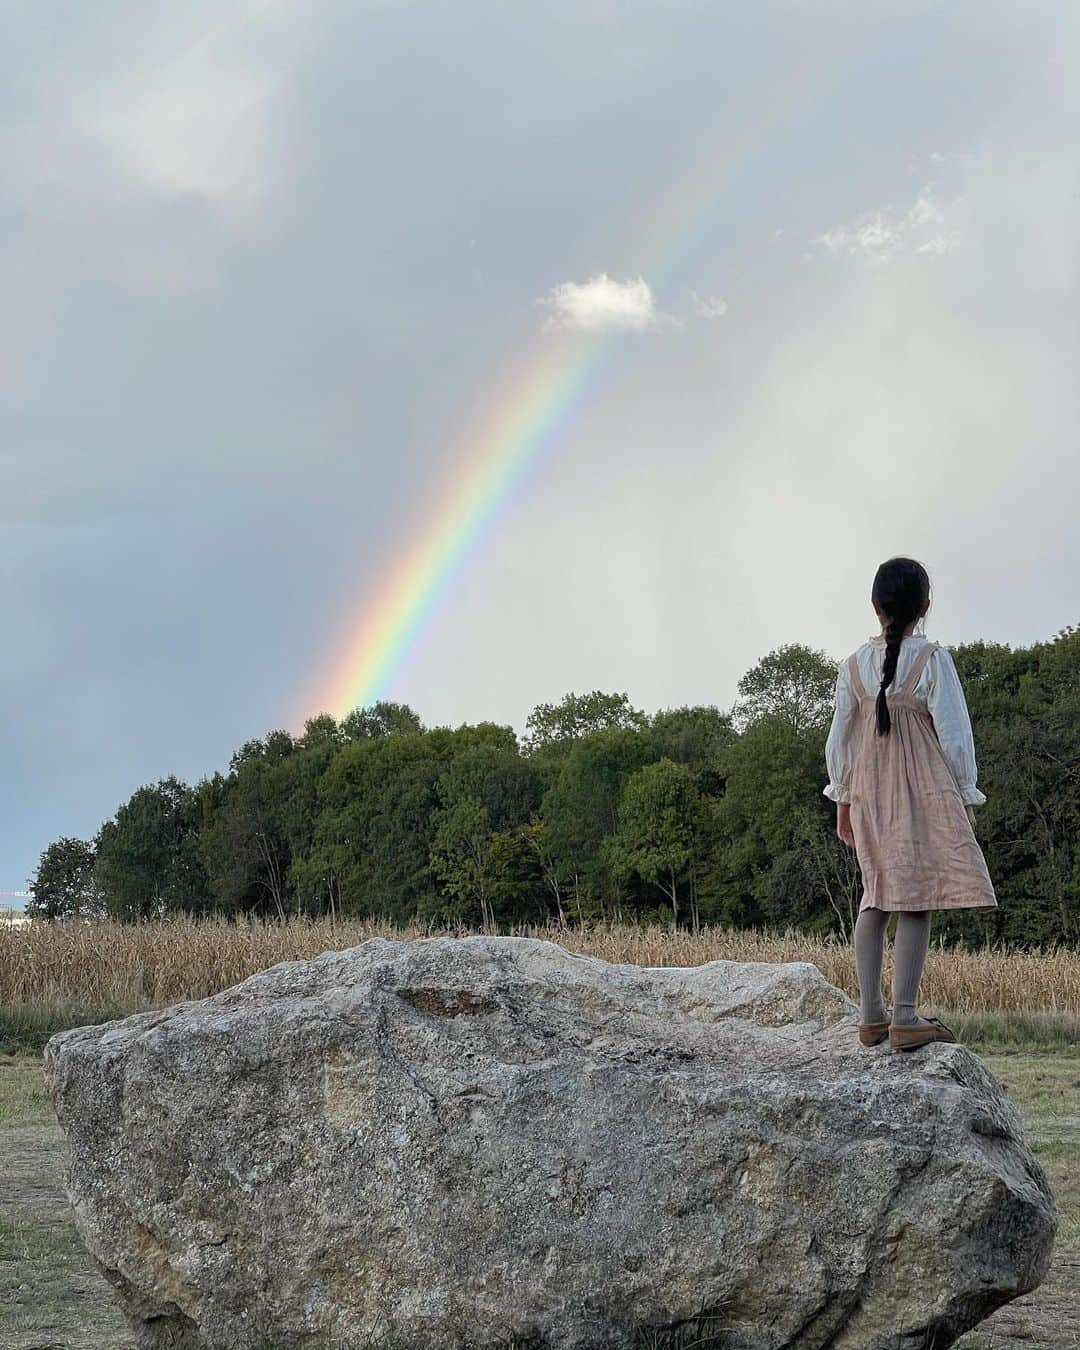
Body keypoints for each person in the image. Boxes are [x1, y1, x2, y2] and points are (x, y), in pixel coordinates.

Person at [823, 556, 997, 1052]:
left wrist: (844, 798)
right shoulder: (932, 660)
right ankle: (904, 1017)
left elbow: (842, 740)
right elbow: (954, 734)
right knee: (917, 898)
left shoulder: (853, 664)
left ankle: (870, 1016)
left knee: (874, 893)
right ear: (925, 606)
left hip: (871, 792)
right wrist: (964, 797)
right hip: (921, 790)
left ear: (875, 607)